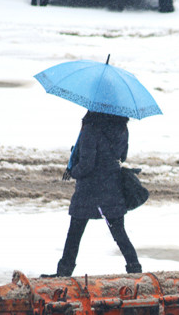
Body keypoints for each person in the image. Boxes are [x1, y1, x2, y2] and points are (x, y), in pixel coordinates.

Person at [49, 110, 142, 277]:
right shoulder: (122, 127)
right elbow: (123, 156)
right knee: (119, 233)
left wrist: (73, 171)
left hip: (89, 191)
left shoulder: (90, 129)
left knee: (75, 233)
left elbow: (86, 164)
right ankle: (135, 270)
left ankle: (63, 273)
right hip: (112, 186)